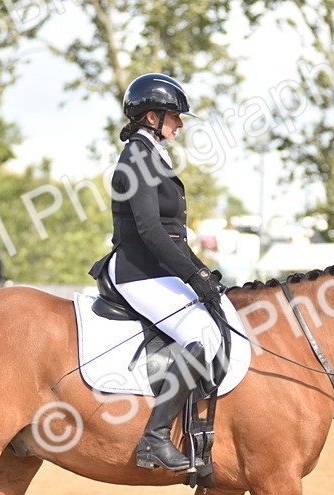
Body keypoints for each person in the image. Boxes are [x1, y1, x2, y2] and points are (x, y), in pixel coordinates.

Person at [89, 73, 226, 472]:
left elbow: (174, 235)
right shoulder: (137, 158)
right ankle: (154, 438)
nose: (180, 124)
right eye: (175, 117)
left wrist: (201, 272)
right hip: (138, 271)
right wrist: (193, 276)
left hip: (156, 269)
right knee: (201, 335)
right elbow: (150, 230)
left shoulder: (152, 154)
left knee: (215, 318)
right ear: (153, 117)